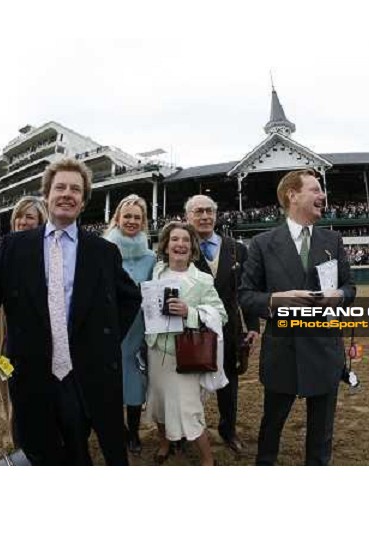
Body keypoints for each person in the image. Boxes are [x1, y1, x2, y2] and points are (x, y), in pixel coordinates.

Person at [0, 158, 142, 465]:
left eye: (75, 189)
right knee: (38, 454)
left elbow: (130, 297)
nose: (67, 193)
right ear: (47, 195)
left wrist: (104, 339)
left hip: (81, 377)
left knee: (77, 453)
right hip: (31, 374)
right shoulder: (15, 246)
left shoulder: (103, 251)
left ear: (84, 199)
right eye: (60, 187)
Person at [239, 169, 356, 465]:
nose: (322, 196)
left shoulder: (333, 240)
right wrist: (275, 300)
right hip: (283, 352)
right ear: (293, 195)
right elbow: (245, 295)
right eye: (315, 190)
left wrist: (339, 296)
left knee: (322, 435)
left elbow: (350, 286)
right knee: (271, 428)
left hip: (325, 349)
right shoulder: (263, 243)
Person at [144, 222, 227, 466]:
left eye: (185, 241)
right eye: (174, 240)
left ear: (192, 249)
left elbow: (221, 314)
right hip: (156, 350)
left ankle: (208, 459)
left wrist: (189, 312)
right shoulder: (157, 271)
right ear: (166, 245)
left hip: (185, 355)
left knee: (189, 409)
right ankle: (164, 443)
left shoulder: (202, 279)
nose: (179, 244)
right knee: (158, 402)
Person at [186, 194, 259, 454]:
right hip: (192, 330)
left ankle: (228, 430)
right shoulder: (181, 247)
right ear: (188, 217)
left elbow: (247, 291)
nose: (205, 216)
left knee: (229, 385)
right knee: (191, 386)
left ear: (216, 215)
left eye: (209, 211)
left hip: (229, 331)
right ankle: (190, 433)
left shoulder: (237, 248)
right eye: (198, 212)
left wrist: (252, 326)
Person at [0, 196, 48, 445]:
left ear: (41, 222)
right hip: (3, 343)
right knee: (7, 391)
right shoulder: (3, 255)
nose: (23, 222)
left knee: (35, 398)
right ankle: (17, 443)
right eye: (19, 217)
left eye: (30, 217)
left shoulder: (48, 257)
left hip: (37, 346)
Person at [103, 194, 156, 455]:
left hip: (137, 328)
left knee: (134, 382)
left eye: (137, 217)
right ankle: (117, 430)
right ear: (117, 218)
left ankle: (133, 432)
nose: (132, 221)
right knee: (109, 383)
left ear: (143, 221)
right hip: (109, 328)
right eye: (127, 216)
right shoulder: (104, 250)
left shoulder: (150, 257)